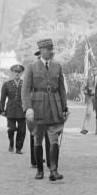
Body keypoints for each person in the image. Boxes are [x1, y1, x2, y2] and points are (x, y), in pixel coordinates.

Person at [22, 39, 68, 181]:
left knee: (54, 139)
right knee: (38, 138)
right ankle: (40, 171)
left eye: (52, 49)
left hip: (54, 106)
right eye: (48, 49)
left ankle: (53, 171)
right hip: (38, 107)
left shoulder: (58, 66)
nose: (51, 51)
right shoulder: (32, 67)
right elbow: (26, 89)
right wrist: (28, 108)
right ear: (41, 50)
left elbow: (61, 89)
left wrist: (64, 107)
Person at [0, 64, 26, 154]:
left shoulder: (25, 84)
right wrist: (1, 110)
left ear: (22, 73)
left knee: (22, 131)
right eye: (15, 72)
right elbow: (2, 98)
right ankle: (11, 143)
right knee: (11, 129)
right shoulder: (7, 84)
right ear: (12, 73)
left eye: (19, 72)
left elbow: (28, 96)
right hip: (10, 110)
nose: (17, 73)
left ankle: (18, 148)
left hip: (22, 111)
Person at [81, 66, 97, 135]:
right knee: (88, 113)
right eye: (93, 70)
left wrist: (95, 91)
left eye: (95, 70)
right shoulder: (89, 78)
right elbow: (84, 87)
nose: (94, 71)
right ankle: (85, 129)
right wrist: (86, 91)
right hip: (90, 97)